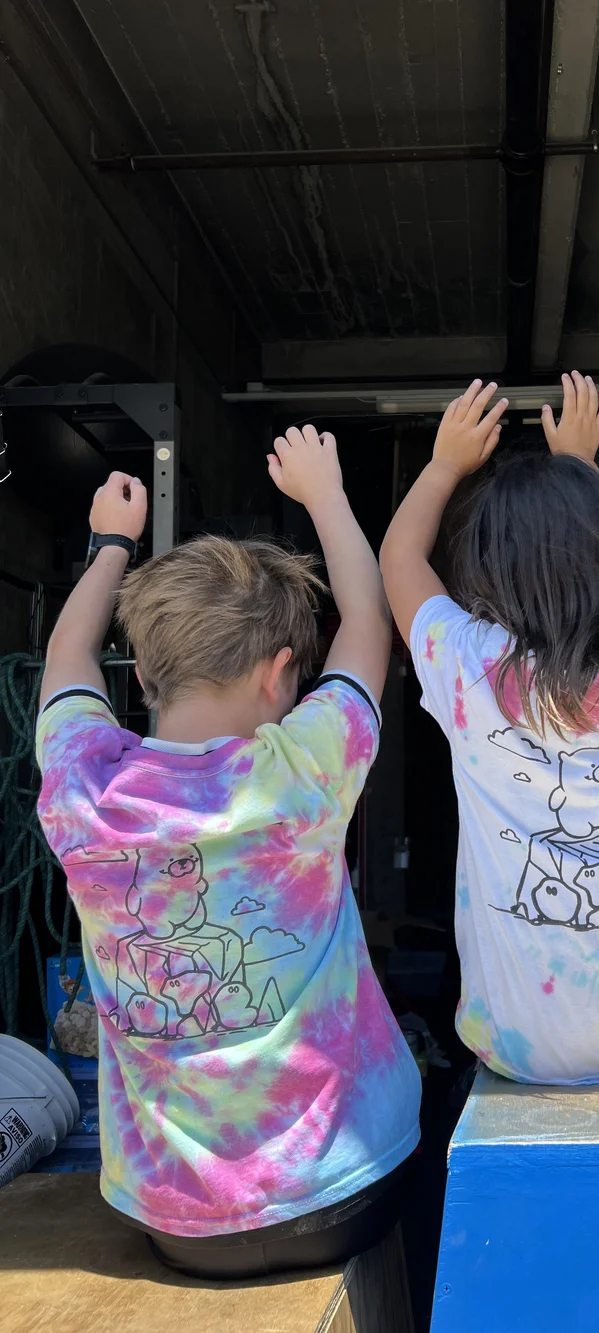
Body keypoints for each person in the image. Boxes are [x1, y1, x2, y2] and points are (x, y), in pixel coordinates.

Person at [34, 426, 421, 1277]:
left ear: (143, 676)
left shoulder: (83, 787)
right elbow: (368, 619)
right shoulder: (299, 771)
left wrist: (110, 544)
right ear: (280, 674)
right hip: (346, 1188)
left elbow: (67, 657)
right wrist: (325, 494)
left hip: (178, 1222)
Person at [380, 373, 599, 1085]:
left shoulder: (470, 667)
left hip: (519, 1045)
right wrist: (582, 466)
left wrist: (443, 466)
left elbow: (399, 560)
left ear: (487, 567)